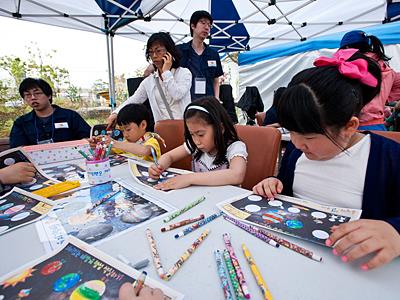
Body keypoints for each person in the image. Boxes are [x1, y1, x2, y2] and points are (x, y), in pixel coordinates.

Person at [253, 49, 400, 270]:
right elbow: (287, 196)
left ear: (350, 127)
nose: (296, 143)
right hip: (293, 259)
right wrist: (274, 185)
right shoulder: (297, 152)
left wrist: (395, 232)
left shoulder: (388, 157)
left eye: (309, 137)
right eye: (291, 132)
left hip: (354, 268)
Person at [148, 96, 247, 190]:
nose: (196, 141)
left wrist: (189, 178)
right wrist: (159, 166)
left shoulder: (235, 147)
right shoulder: (194, 145)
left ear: (220, 129)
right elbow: (170, 156)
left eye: (201, 134)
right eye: (192, 134)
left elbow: (236, 175)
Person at [106, 32, 192, 130]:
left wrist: (166, 72)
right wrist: (116, 113)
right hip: (163, 131)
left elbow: (177, 95)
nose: (154, 56)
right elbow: (135, 99)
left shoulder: (184, 73)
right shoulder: (150, 81)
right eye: (151, 52)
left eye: (158, 51)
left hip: (185, 129)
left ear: (169, 52)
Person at [339, 30, 400, 130]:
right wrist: (381, 100)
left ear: (347, 48)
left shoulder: (349, 67)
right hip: (378, 126)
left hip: (355, 128)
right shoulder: (386, 69)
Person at [10, 78, 91, 147]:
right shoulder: (21, 123)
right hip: (36, 164)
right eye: (27, 95)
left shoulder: (70, 116)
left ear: (49, 95)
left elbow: (88, 137)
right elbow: (17, 149)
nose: (33, 98)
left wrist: (87, 141)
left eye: (37, 93)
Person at [178, 10, 224, 100]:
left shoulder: (213, 54)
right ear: (193, 26)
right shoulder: (180, 50)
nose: (207, 27)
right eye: (203, 23)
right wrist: (152, 66)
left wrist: (217, 98)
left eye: (209, 25)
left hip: (208, 103)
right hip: (186, 101)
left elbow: (216, 79)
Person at [92, 104, 161, 162]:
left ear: (143, 125)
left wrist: (115, 143)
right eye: (122, 131)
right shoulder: (126, 143)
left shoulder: (151, 140)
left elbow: (144, 151)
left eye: (128, 129)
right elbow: (109, 152)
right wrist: (100, 146)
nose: (125, 135)